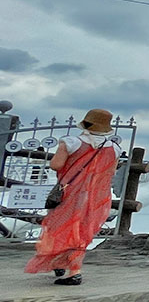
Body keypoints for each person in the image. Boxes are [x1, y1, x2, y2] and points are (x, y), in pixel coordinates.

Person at [23, 109, 120, 285]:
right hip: (97, 196)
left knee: (58, 227)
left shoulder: (71, 142)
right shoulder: (114, 148)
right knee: (82, 230)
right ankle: (69, 266)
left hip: (70, 193)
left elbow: (55, 165)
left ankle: (67, 267)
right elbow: (110, 172)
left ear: (86, 123)